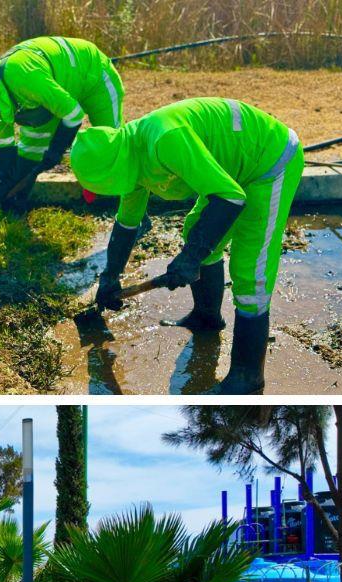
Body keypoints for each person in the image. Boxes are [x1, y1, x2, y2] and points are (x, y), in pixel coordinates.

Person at [70, 97, 304, 394]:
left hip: (269, 161)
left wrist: (191, 257)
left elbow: (230, 198)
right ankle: (207, 317)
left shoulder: (164, 140)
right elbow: (128, 222)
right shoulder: (129, 160)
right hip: (232, 168)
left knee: (250, 269)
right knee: (196, 229)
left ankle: (247, 378)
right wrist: (110, 276)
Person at [0, 36, 124, 213]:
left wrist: (56, 151)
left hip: (93, 75)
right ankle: (16, 202)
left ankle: (135, 214)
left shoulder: (22, 77)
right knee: (30, 150)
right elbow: (5, 143)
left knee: (113, 147)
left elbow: (73, 114)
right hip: (55, 90)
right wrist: (3, 190)